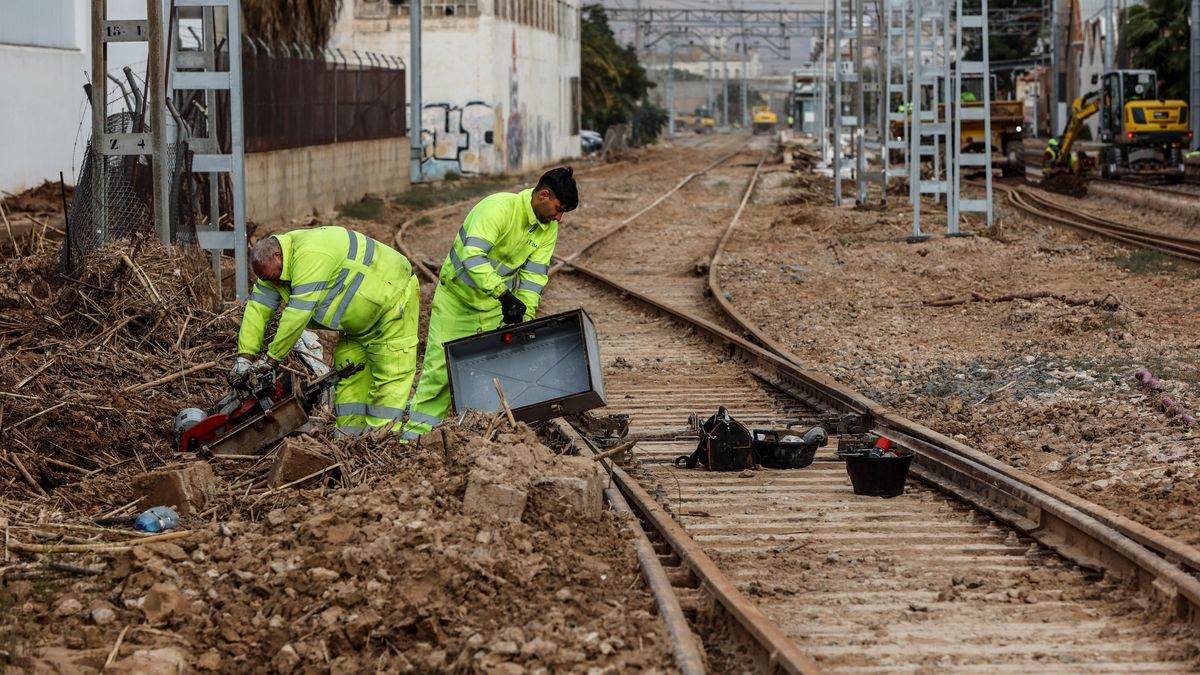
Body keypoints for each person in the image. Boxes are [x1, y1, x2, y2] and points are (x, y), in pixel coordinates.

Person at [402, 167, 579, 439]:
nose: (559, 217)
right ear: (543, 195)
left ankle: (476, 441)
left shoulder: (547, 229)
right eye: (559, 208)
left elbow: (532, 280)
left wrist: (525, 320)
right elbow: (472, 256)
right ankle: (413, 439)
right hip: (456, 301)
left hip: (492, 307)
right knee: (439, 374)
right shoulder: (497, 207)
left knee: (491, 375)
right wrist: (504, 294)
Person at [230, 226, 420, 436]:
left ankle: (383, 440)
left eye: (275, 277)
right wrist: (244, 359)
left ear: (278, 255)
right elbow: (257, 309)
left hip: (392, 304)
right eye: (269, 280)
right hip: (355, 326)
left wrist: (271, 360)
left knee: (389, 373)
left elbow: (298, 314)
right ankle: (349, 439)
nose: (275, 283)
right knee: (349, 374)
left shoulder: (311, 254)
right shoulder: (271, 270)